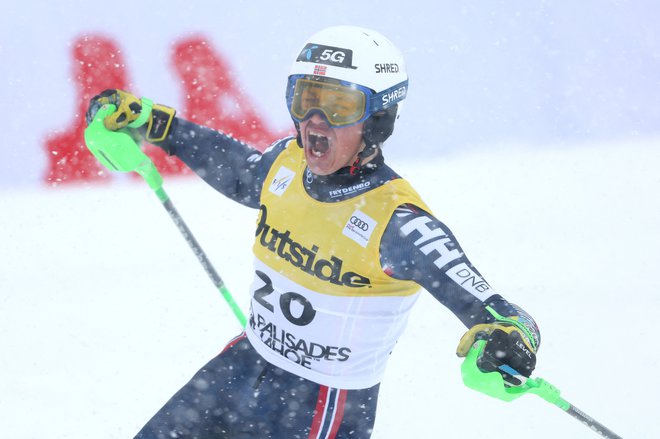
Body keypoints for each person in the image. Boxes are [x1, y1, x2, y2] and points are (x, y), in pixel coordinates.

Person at [87, 25, 541, 439]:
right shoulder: (287, 163)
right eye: (305, 99)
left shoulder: (398, 222)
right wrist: (156, 124)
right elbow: (241, 173)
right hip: (242, 367)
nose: (315, 122)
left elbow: (507, 316)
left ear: (378, 119)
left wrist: (507, 341)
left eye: (341, 105)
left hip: (319, 404)